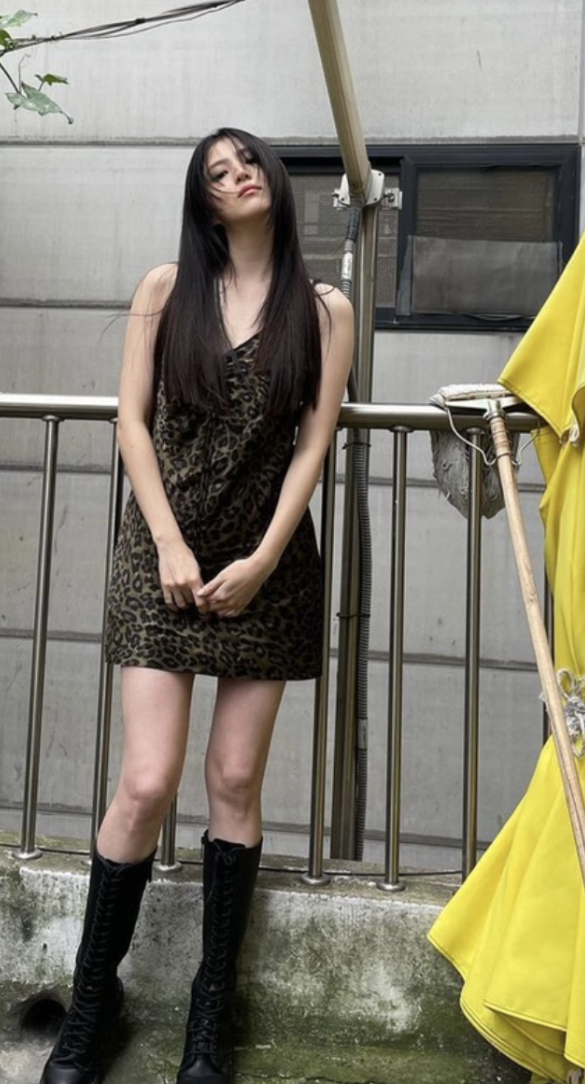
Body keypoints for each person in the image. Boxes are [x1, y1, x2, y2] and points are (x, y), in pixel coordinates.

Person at [39, 128, 354, 1084]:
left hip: (267, 564)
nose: (238, 175)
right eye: (218, 172)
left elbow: (313, 445)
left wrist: (262, 559)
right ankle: (92, 1005)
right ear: (203, 201)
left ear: (274, 180)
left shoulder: (325, 310)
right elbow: (131, 421)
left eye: (248, 161)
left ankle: (209, 1019)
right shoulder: (165, 289)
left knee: (234, 779)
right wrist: (172, 542)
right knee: (145, 781)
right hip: (161, 551)